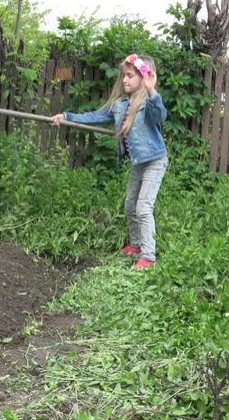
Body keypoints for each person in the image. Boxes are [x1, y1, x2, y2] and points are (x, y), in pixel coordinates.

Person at [52, 53, 168, 270]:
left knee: (143, 207)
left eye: (130, 76)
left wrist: (152, 90)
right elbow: (94, 116)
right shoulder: (119, 105)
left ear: (144, 78)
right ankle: (136, 245)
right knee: (130, 204)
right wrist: (67, 116)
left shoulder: (148, 104)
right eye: (124, 75)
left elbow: (160, 116)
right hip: (138, 162)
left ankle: (149, 257)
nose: (124, 80)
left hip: (155, 160)